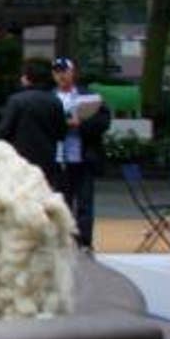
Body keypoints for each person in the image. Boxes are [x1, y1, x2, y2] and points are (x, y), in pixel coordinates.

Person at [51, 57, 111, 250]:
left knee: (85, 201)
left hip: (84, 156)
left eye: (65, 71)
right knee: (62, 201)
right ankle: (63, 240)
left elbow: (104, 122)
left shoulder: (90, 97)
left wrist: (82, 125)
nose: (61, 75)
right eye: (57, 72)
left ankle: (84, 241)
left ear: (73, 73)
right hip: (58, 157)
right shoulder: (49, 97)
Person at [0, 58, 67, 189]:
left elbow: (4, 131)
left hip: (20, 158)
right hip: (48, 159)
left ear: (27, 78)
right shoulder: (55, 100)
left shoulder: (16, 100)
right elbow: (61, 133)